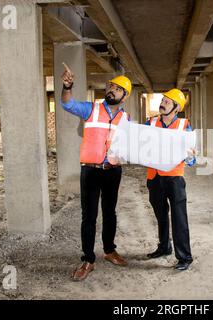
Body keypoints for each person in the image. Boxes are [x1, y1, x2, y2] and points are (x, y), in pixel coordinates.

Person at [61, 62, 132, 281]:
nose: (112, 90)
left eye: (118, 89)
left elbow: (134, 144)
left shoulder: (125, 118)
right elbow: (68, 104)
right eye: (111, 86)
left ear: (125, 96)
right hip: (90, 171)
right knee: (89, 216)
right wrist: (67, 87)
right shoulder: (91, 109)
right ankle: (88, 259)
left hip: (113, 171)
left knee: (110, 212)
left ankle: (109, 250)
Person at [145, 88, 196, 271]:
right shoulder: (150, 123)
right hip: (154, 177)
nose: (163, 102)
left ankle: (184, 257)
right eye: (163, 99)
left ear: (176, 108)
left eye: (168, 101)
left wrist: (190, 156)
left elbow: (192, 159)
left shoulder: (184, 126)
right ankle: (164, 247)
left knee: (179, 218)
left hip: (174, 178)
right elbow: (140, 144)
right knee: (161, 215)